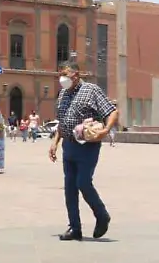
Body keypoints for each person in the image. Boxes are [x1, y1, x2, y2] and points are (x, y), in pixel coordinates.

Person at [50, 62, 118, 241]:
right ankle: (75, 228)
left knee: (83, 182)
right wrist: (55, 142)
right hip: (69, 146)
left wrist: (105, 130)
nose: (62, 78)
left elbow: (112, 112)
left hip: (87, 146)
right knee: (69, 187)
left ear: (76, 75)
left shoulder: (91, 90)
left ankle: (102, 215)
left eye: (65, 74)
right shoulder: (63, 94)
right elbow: (62, 122)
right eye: (60, 74)